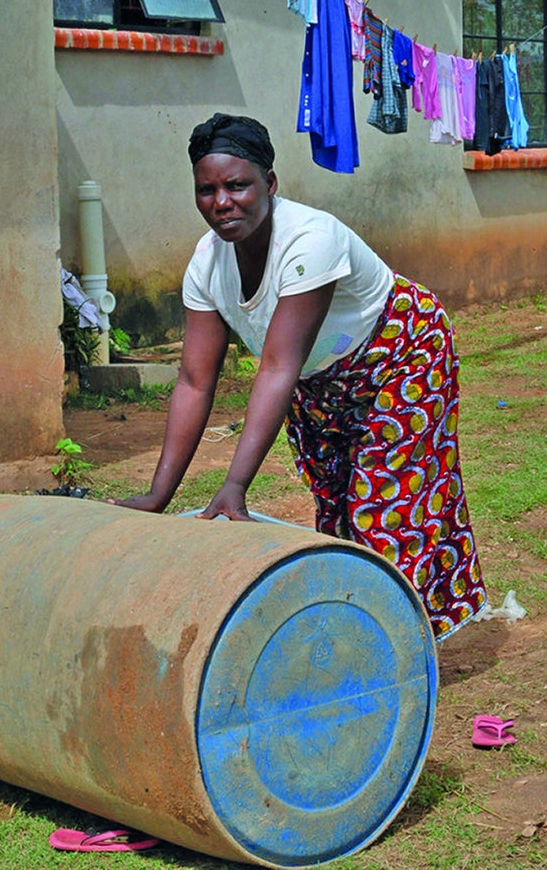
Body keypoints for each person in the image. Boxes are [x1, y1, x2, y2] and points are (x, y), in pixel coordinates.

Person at [112, 113, 486, 640]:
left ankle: (397, 653)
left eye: (237, 185)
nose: (222, 203)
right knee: (334, 509)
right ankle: (352, 637)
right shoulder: (206, 264)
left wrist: (235, 487)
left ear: (270, 183)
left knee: (385, 509)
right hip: (319, 381)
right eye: (207, 190)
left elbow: (277, 366)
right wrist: (158, 494)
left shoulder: (311, 239)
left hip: (399, 355)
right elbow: (196, 381)